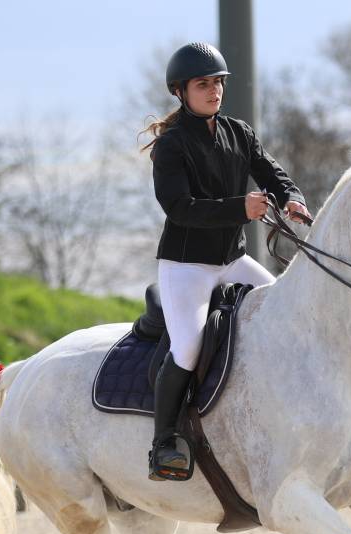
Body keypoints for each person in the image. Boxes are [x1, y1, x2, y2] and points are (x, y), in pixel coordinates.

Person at [140, 42, 309, 482]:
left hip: (232, 260)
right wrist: (240, 208)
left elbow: (273, 173)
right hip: (186, 267)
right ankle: (163, 443)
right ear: (181, 92)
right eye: (203, 84)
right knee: (189, 347)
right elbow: (180, 208)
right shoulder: (171, 146)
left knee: (286, 310)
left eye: (218, 82)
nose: (214, 90)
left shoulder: (239, 131)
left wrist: (291, 198)